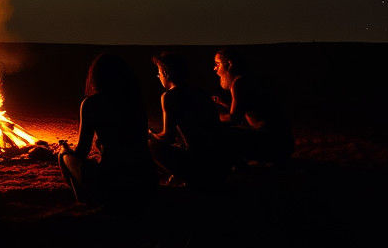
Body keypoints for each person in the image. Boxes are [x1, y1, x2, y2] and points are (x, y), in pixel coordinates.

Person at [59, 53, 156, 207]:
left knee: (63, 155)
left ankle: (84, 198)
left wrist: (66, 149)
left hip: (112, 183)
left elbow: (82, 151)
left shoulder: (91, 103)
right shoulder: (136, 101)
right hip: (147, 181)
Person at [148, 51, 227, 189]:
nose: (159, 77)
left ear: (165, 73)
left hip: (197, 163)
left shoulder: (169, 96)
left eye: (159, 73)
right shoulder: (200, 92)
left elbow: (168, 137)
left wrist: (150, 135)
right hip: (218, 160)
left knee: (150, 145)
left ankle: (186, 177)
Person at [212, 49, 294, 166]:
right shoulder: (248, 79)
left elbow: (234, 118)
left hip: (272, 143)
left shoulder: (238, 83)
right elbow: (246, 110)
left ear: (229, 64)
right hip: (284, 143)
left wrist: (213, 117)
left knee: (220, 133)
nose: (215, 68)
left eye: (217, 64)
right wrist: (222, 103)